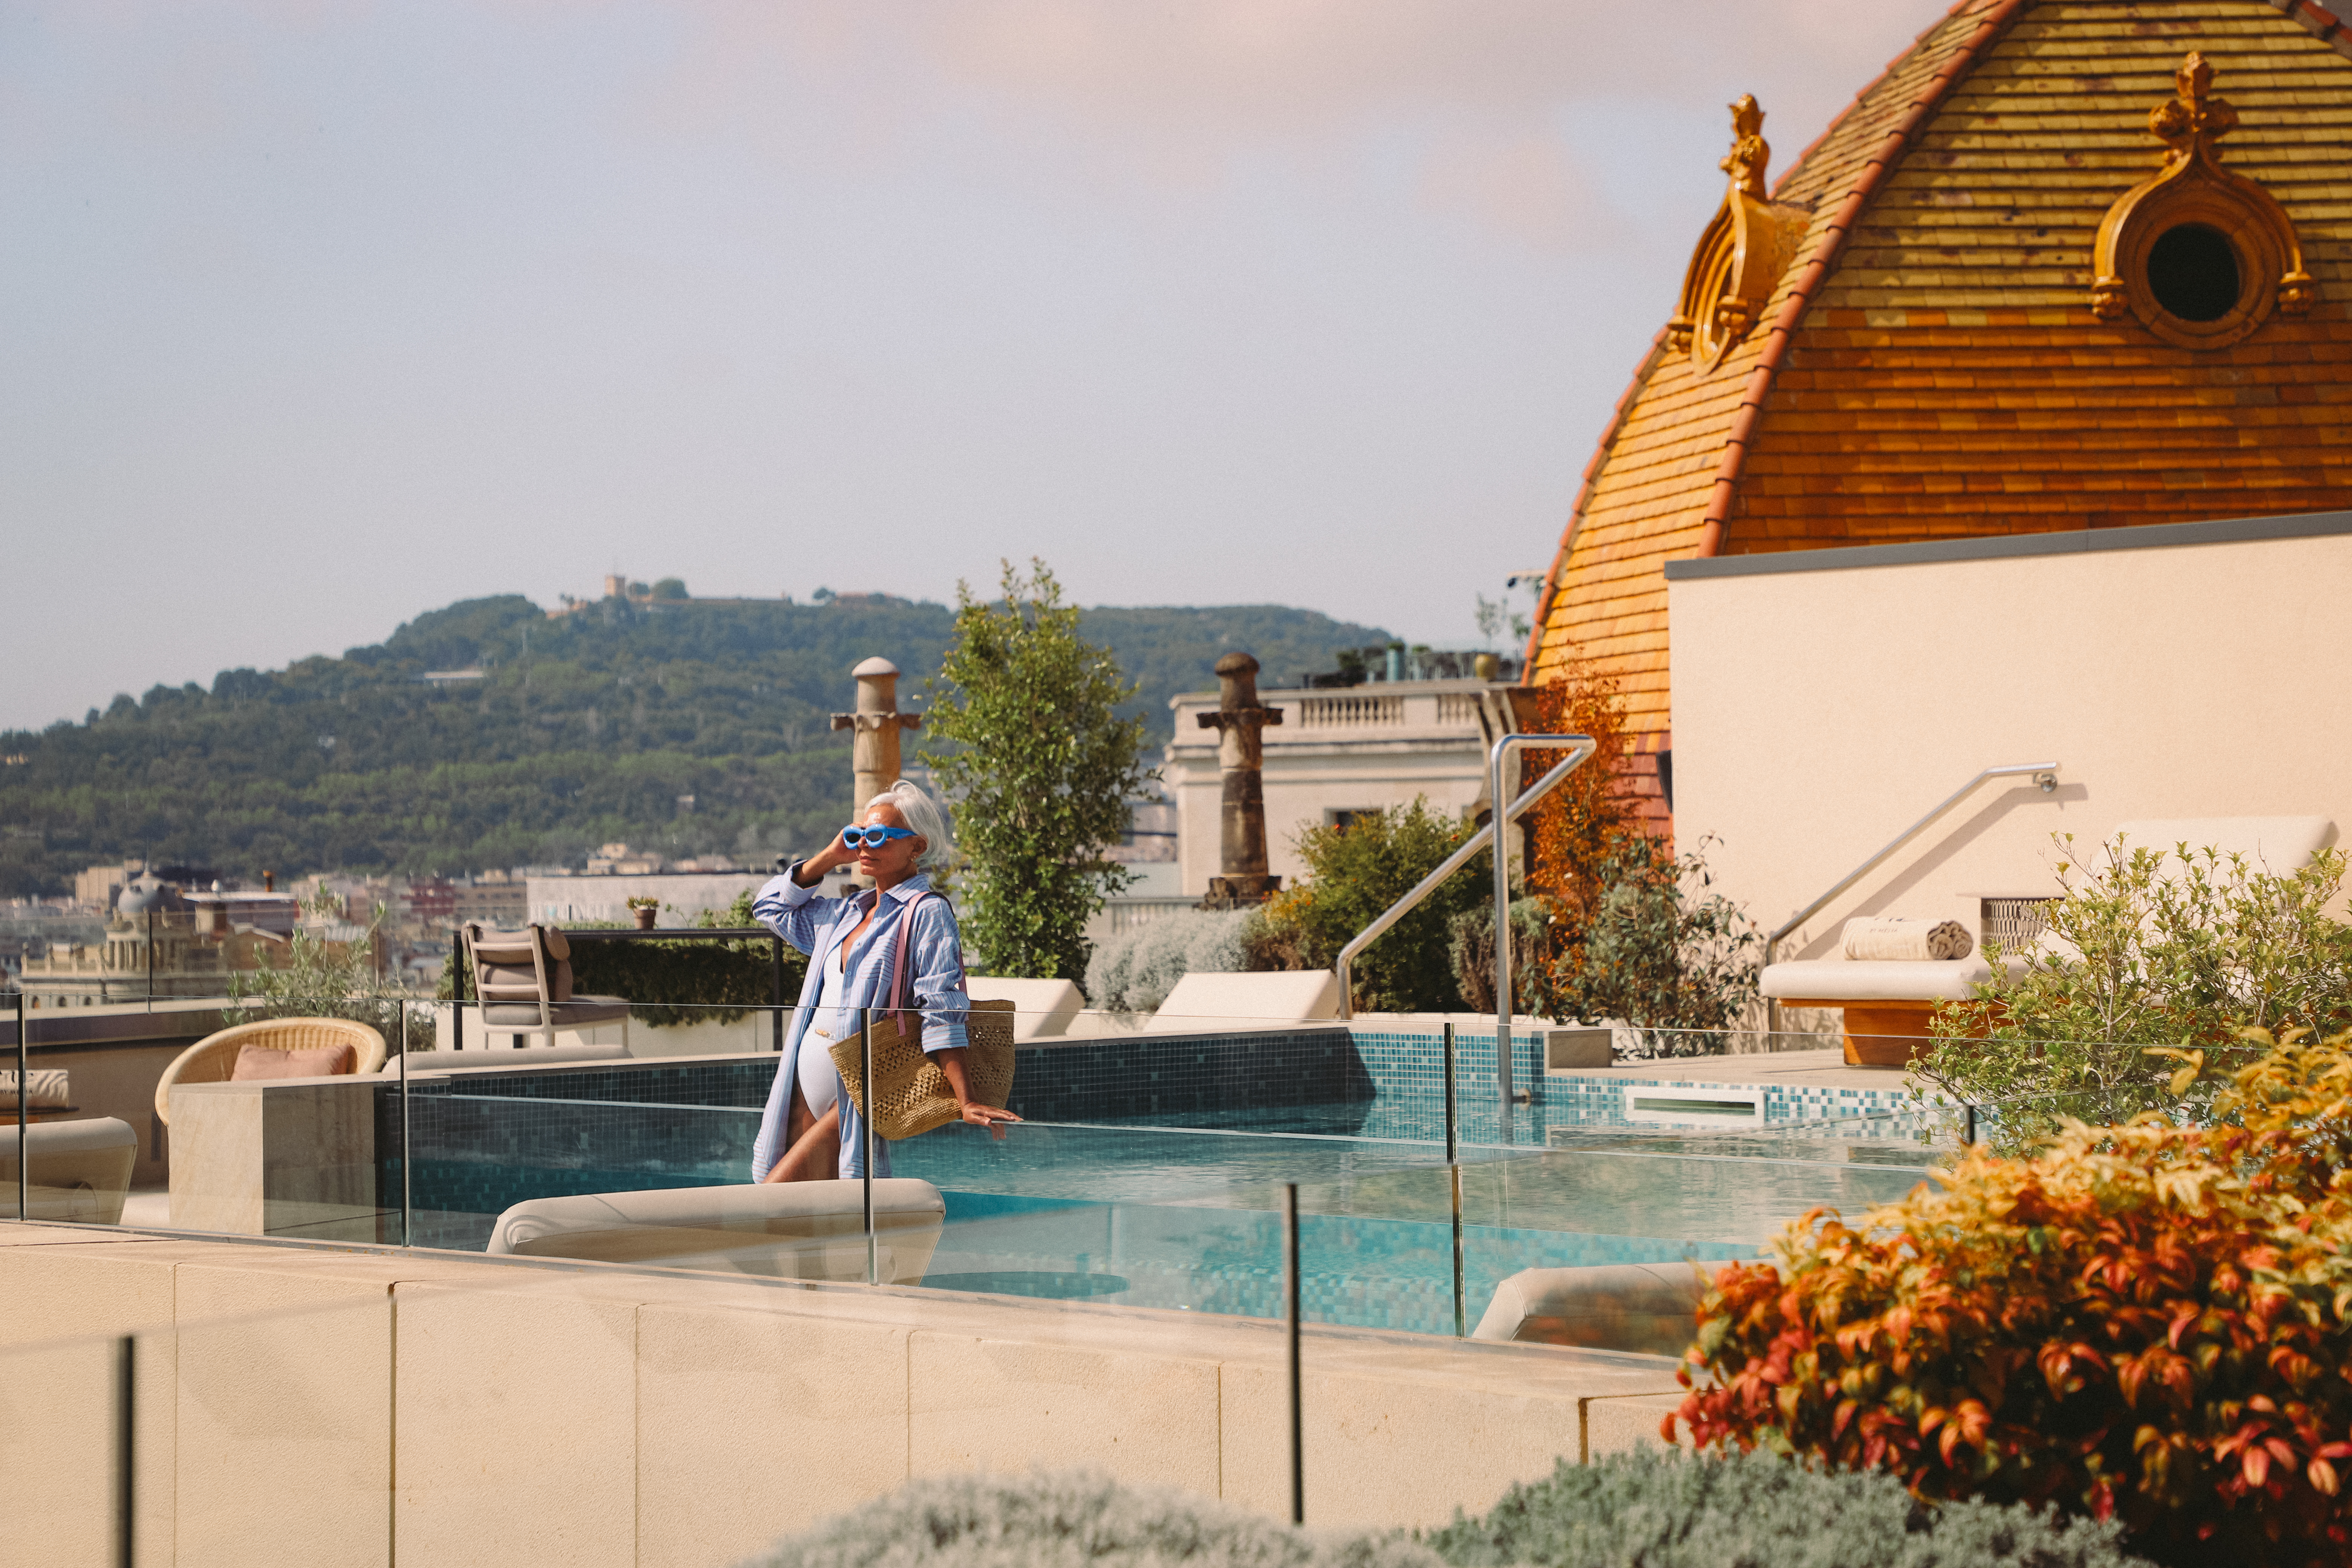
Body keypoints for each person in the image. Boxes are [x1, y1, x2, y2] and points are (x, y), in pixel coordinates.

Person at [749, 779, 1019, 1182]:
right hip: (804, 1079)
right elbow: (769, 908)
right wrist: (829, 856)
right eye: (859, 836)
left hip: (861, 1085)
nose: (864, 846)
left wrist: (966, 1101)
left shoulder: (926, 912)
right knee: (807, 1217)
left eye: (878, 836)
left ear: (917, 846)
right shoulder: (844, 913)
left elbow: (942, 1009)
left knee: (771, 1202)